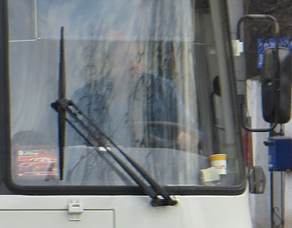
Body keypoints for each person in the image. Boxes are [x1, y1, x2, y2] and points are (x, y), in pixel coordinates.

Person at [70, 29, 198, 151]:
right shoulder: (86, 97)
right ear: (108, 59)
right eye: (125, 57)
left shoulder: (164, 90)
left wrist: (186, 136)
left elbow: (193, 131)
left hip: (153, 169)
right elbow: (71, 142)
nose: (134, 64)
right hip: (99, 168)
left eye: (139, 57)